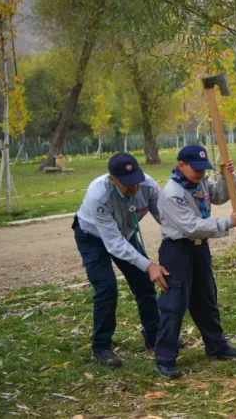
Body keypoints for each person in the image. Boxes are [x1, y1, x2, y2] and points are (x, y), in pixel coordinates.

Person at [153, 145, 236, 378]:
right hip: (177, 251)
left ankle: (216, 346)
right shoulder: (172, 192)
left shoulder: (200, 182)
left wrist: (227, 176)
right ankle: (164, 358)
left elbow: (220, 195)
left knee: (206, 297)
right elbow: (191, 226)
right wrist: (227, 222)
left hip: (199, 249)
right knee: (174, 304)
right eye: (196, 170)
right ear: (181, 165)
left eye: (204, 170)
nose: (201, 174)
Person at [73, 152, 168, 368]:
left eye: (136, 179)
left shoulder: (148, 186)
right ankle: (101, 347)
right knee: (106, 289)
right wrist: (149, 265)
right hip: (92, 237)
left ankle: (154, 337)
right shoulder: (98, 195)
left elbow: (166, 218)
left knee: (144, 284)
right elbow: (114, 244)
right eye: (127, 184)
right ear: (112, 180)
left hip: (125, 233)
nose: (134, 186)